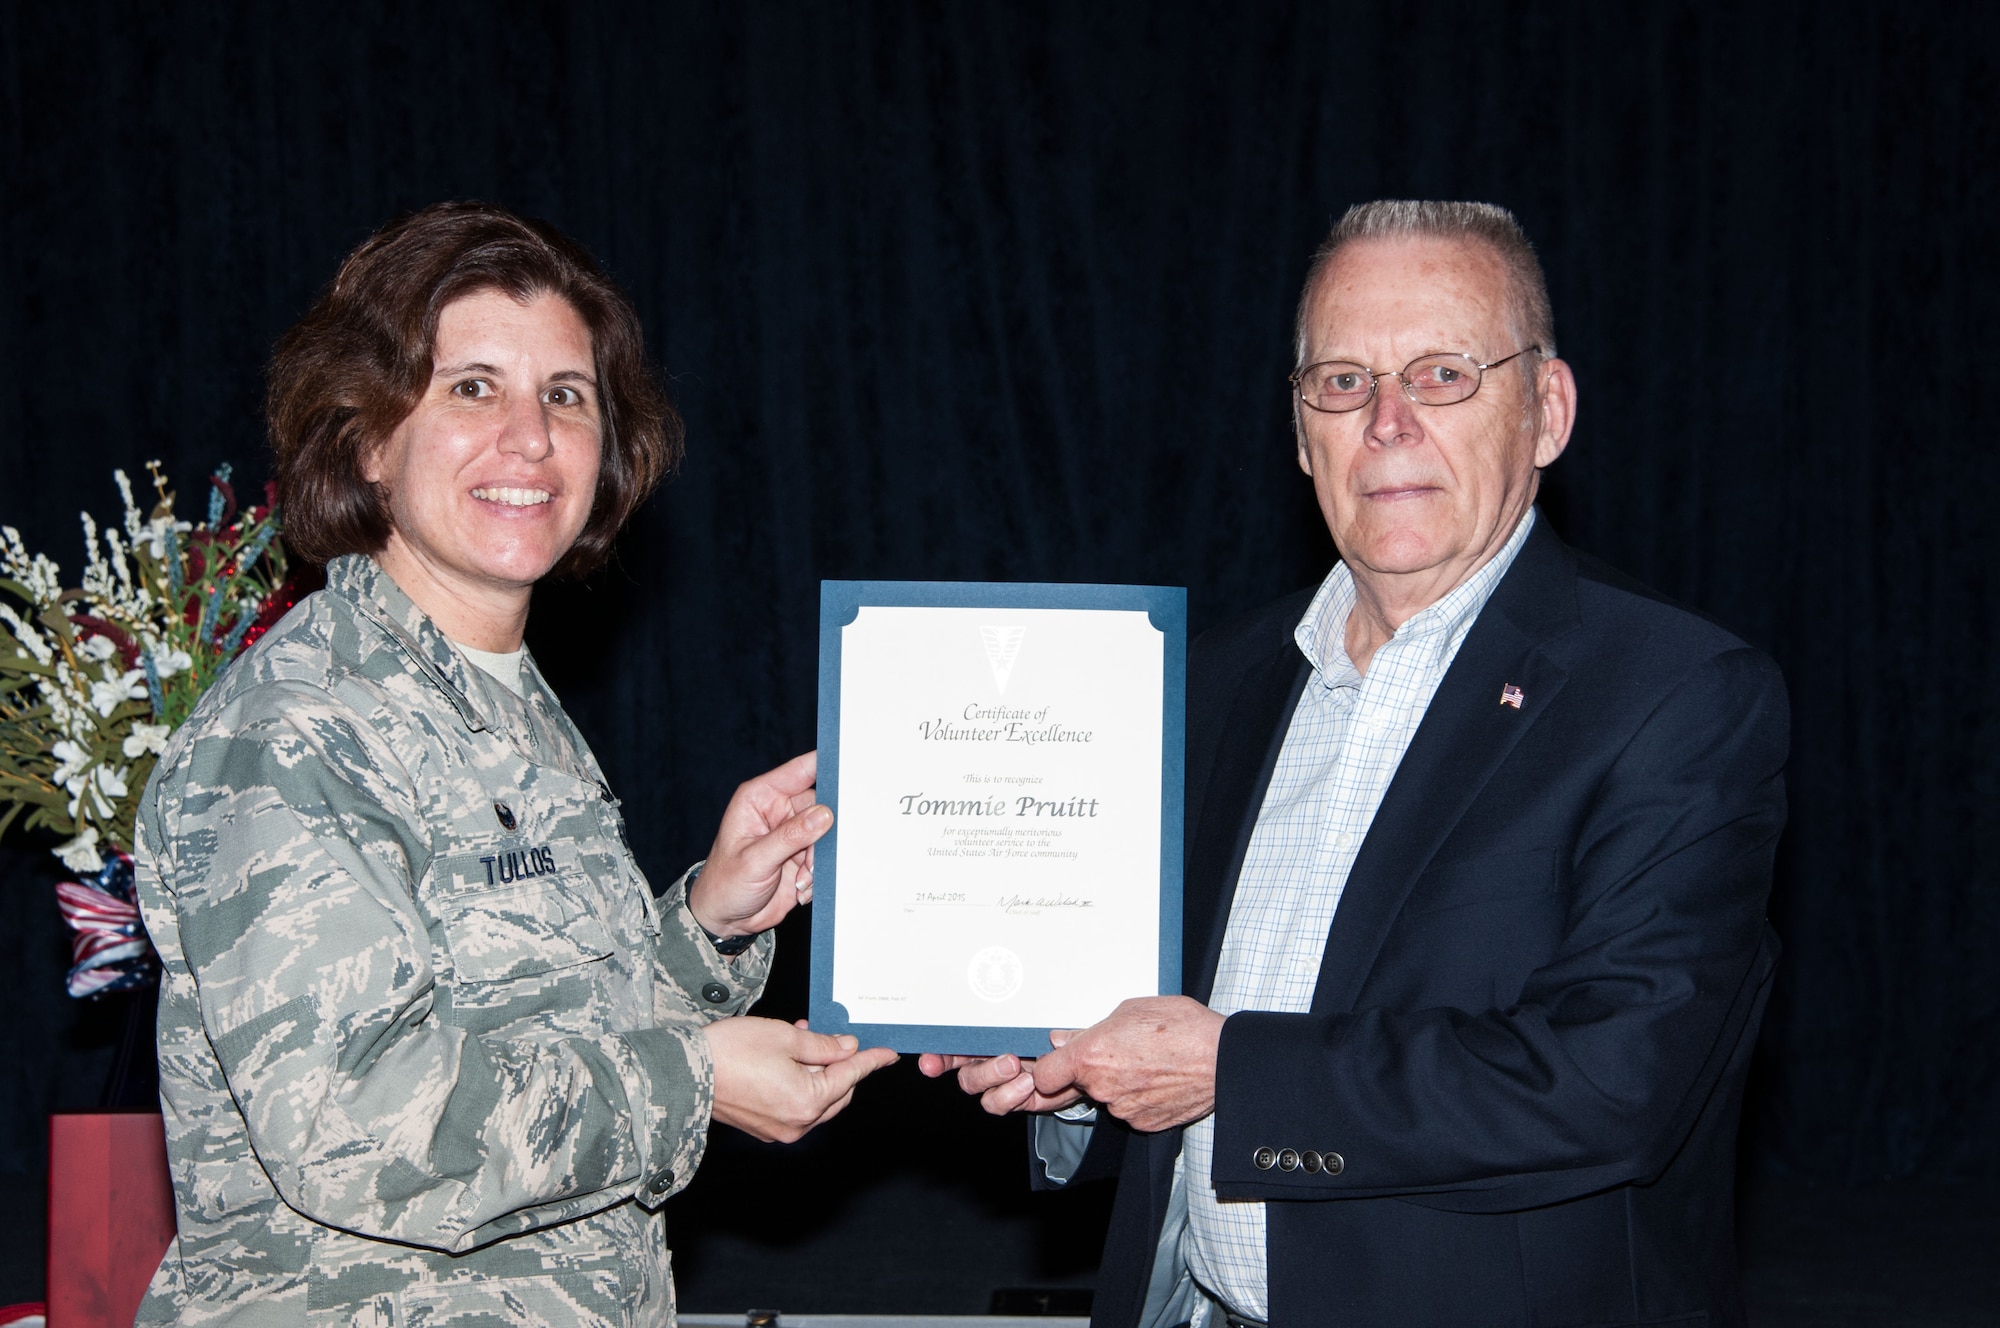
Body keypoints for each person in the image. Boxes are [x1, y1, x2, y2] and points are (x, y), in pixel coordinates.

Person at [924, 201, 1788, 1327]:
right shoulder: (1208, 677)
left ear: (1546, 410)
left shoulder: (1675, 692)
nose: (1385, 422)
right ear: (1298, 432)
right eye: (1340, 381)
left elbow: (1612, 1080)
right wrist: (1074, 1072)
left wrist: (1230, 1073)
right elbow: (1156, 1021)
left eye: (1440, 373)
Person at [134, 201, 897, 1326]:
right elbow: (361, 1123)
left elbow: (552, 1025)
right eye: (471, 387)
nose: (530, 439)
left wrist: (711, 922)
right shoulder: (297, 731)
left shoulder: (515, 709)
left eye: (566, 395)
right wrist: (697, 1083)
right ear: (366, 437)